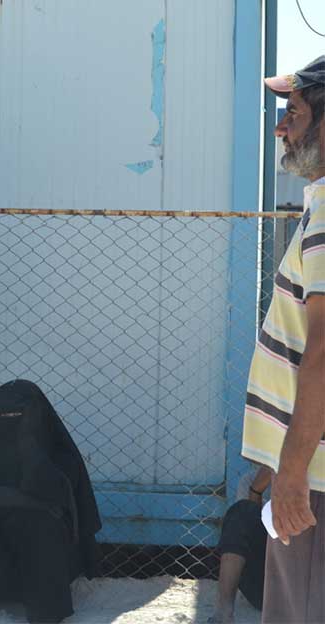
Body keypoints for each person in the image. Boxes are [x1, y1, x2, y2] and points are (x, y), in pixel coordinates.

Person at [242, 56, 325, 623]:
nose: (280, 128)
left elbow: (323, 353)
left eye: (293, 113)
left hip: (315, 481)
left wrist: (292, 472)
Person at [0, 380, 101, 624]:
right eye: (5, 414)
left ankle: (47, 606)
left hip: (49, 558)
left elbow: (51, 491)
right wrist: (18, 500)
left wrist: (27, 442)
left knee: (42, 522)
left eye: (20, 415)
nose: (11, 421)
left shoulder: (60, 453)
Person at [210, 466, 272, 624]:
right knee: (241, 511)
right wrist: (256, 491)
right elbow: (247, 530)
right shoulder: (253, 480)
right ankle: (222, 613)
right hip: (270, 587)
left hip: (314, 589)